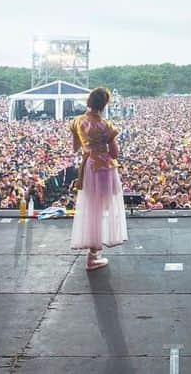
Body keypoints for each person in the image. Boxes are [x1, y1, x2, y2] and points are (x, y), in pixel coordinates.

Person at [69, 87, 128, 270]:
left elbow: (75, 148)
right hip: (103, 169)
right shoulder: (106, 125)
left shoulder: (77, 122)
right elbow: (114, 153)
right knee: (101, 208)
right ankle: (93, 255)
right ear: (104, 105)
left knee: (91, 207)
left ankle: (93, 253)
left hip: (88, 166)